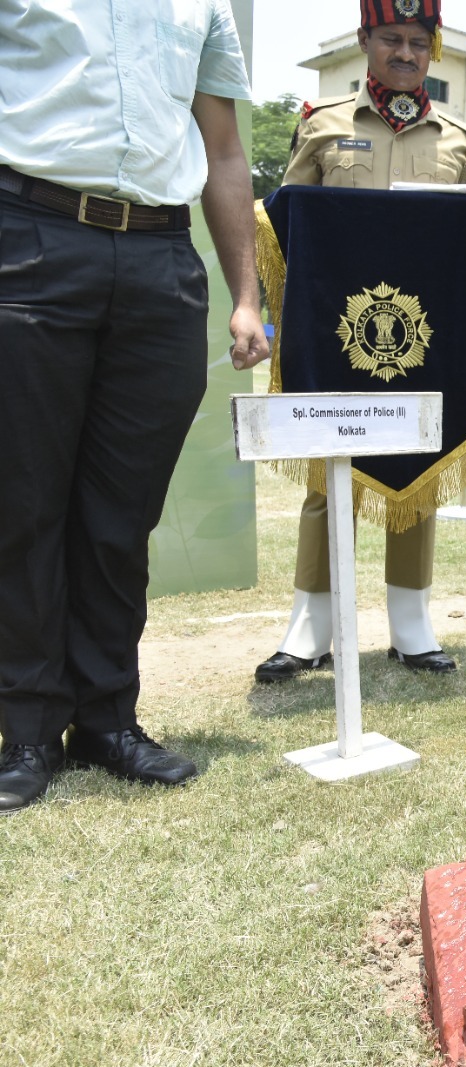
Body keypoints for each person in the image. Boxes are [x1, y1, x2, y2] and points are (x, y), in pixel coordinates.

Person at [0, 0, 267, 813]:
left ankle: (109, 719)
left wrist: (246, 295)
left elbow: (223, 152)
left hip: (159, 256)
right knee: (24, 505)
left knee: (121, 517)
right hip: (27, 236)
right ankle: (30, 730)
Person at [254, 0, 466, 684]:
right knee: (332, 475)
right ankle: (309, 628)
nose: (406, 53)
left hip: (422, 337)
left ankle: (411, 626)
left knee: (420, 470)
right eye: (392, 38)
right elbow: (284, 232)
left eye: (418, 40)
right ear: (365, 40)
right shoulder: (322, 126)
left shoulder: (460, 140)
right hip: (336, 336)